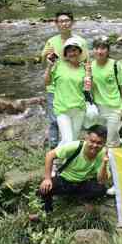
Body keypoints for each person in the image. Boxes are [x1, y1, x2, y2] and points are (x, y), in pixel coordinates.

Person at [37, 125, 109, 217]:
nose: (94, 146)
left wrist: (104, 163)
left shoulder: (103, 154)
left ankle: (78, 198)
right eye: (92, 141)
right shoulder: (75, 146)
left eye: (99, 143)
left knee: (101, 189)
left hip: (84, 182)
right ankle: (46, 212)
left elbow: (101, 180)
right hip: (65, 179)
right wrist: (47, 178)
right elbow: (50, 155)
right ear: (86, 138)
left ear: (104, 143)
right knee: (44, 189)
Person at [41, 12, 88, 148]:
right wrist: (44, 56)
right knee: (54, 120)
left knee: (73, 122)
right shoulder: (51, 42)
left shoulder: (81, 42)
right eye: (61, 21)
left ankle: (65, 149)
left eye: (67, 20)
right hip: (55, 86)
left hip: (73, 86)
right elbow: (45, 65)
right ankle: (54, 146)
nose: (64, 24)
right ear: (56, 23)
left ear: (72, 22)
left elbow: (86, 63)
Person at [90, 36, 122, 147]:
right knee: (100, 140)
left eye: (103, 48)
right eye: (96, 48)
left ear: (108, 50)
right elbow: (89, 88)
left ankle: (113, 163)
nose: (99, 51)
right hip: (98, 109)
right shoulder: (90, 66)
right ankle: (103, 163)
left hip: (115, 108)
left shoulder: (116, 65)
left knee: (111, 141)